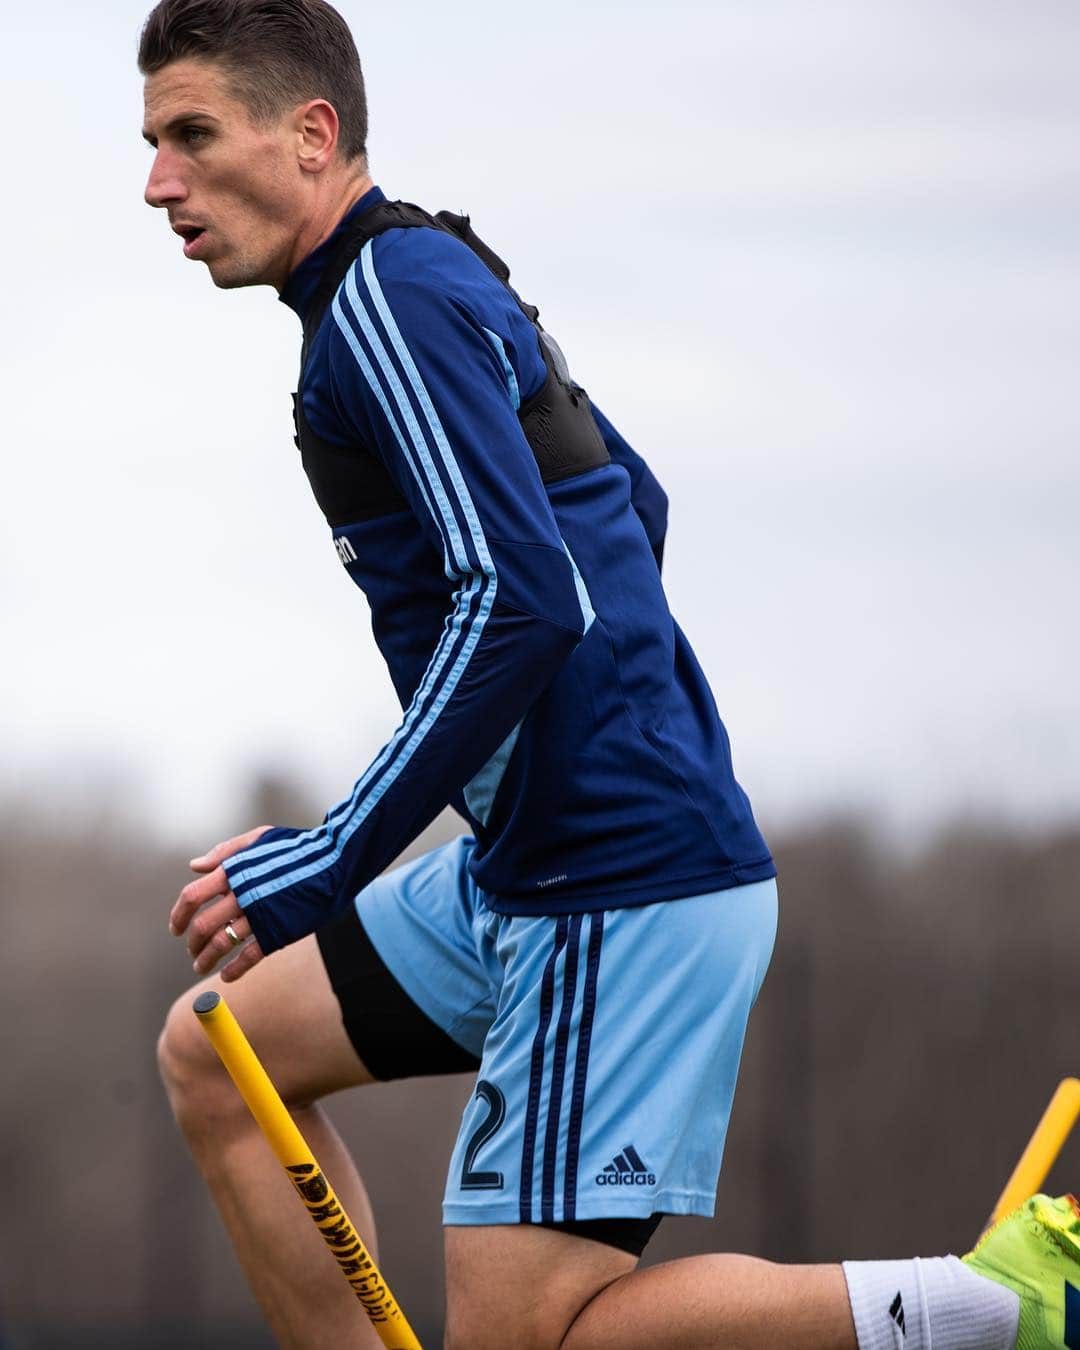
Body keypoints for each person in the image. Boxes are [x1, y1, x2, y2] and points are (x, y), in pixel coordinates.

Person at [140, 2, 1080, 1347]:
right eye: (151, 143)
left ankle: (991, 1304)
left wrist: (338, 849)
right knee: (219, 1053)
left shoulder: (384, 303)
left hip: (617, 887)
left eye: (191, 135)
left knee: (527, 1335)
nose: (158, 182)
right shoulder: (424, 272)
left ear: (311, 135)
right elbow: (628, 501)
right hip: (534, 872)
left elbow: (523, 599)